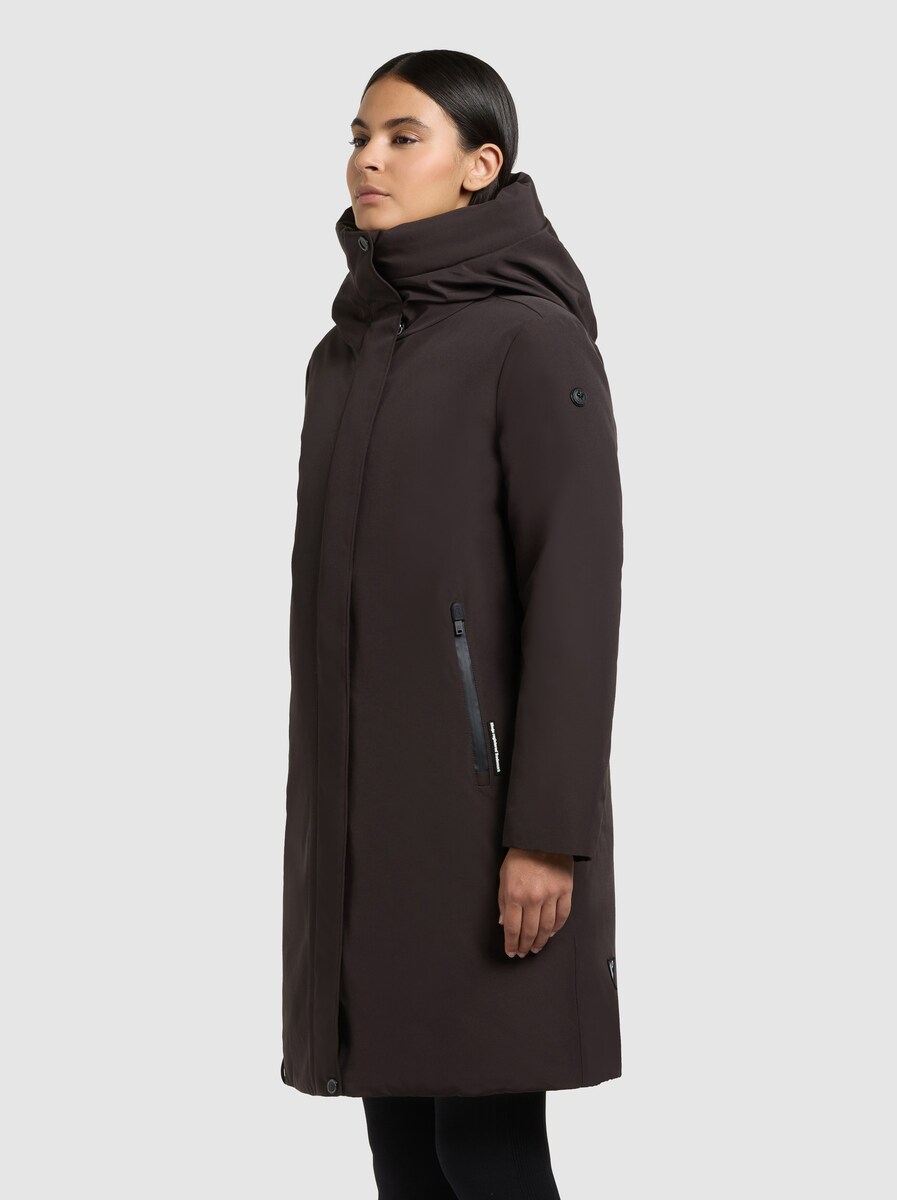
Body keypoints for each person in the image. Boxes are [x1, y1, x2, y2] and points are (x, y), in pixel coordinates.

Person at [281, 49, 624, 1199]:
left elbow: (575, 590)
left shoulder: (530, 342)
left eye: (402, 137)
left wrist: (547, 834)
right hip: (366, 830)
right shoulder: (347, 357)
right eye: (359, 136)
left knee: (485, 1146)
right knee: (404, 1153)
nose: (367, 160)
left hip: (486, 830)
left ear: (481, 166)